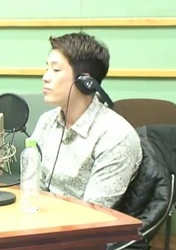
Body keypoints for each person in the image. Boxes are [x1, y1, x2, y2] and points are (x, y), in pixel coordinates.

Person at [31, 32, 142, 209]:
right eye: (47, 68)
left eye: (56, 70)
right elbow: (33, 188)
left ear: (85, 81)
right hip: (40, 217)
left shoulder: (116, 136)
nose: (45, 77)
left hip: (84, 224)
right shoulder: (47, 121)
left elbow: (94, 212)